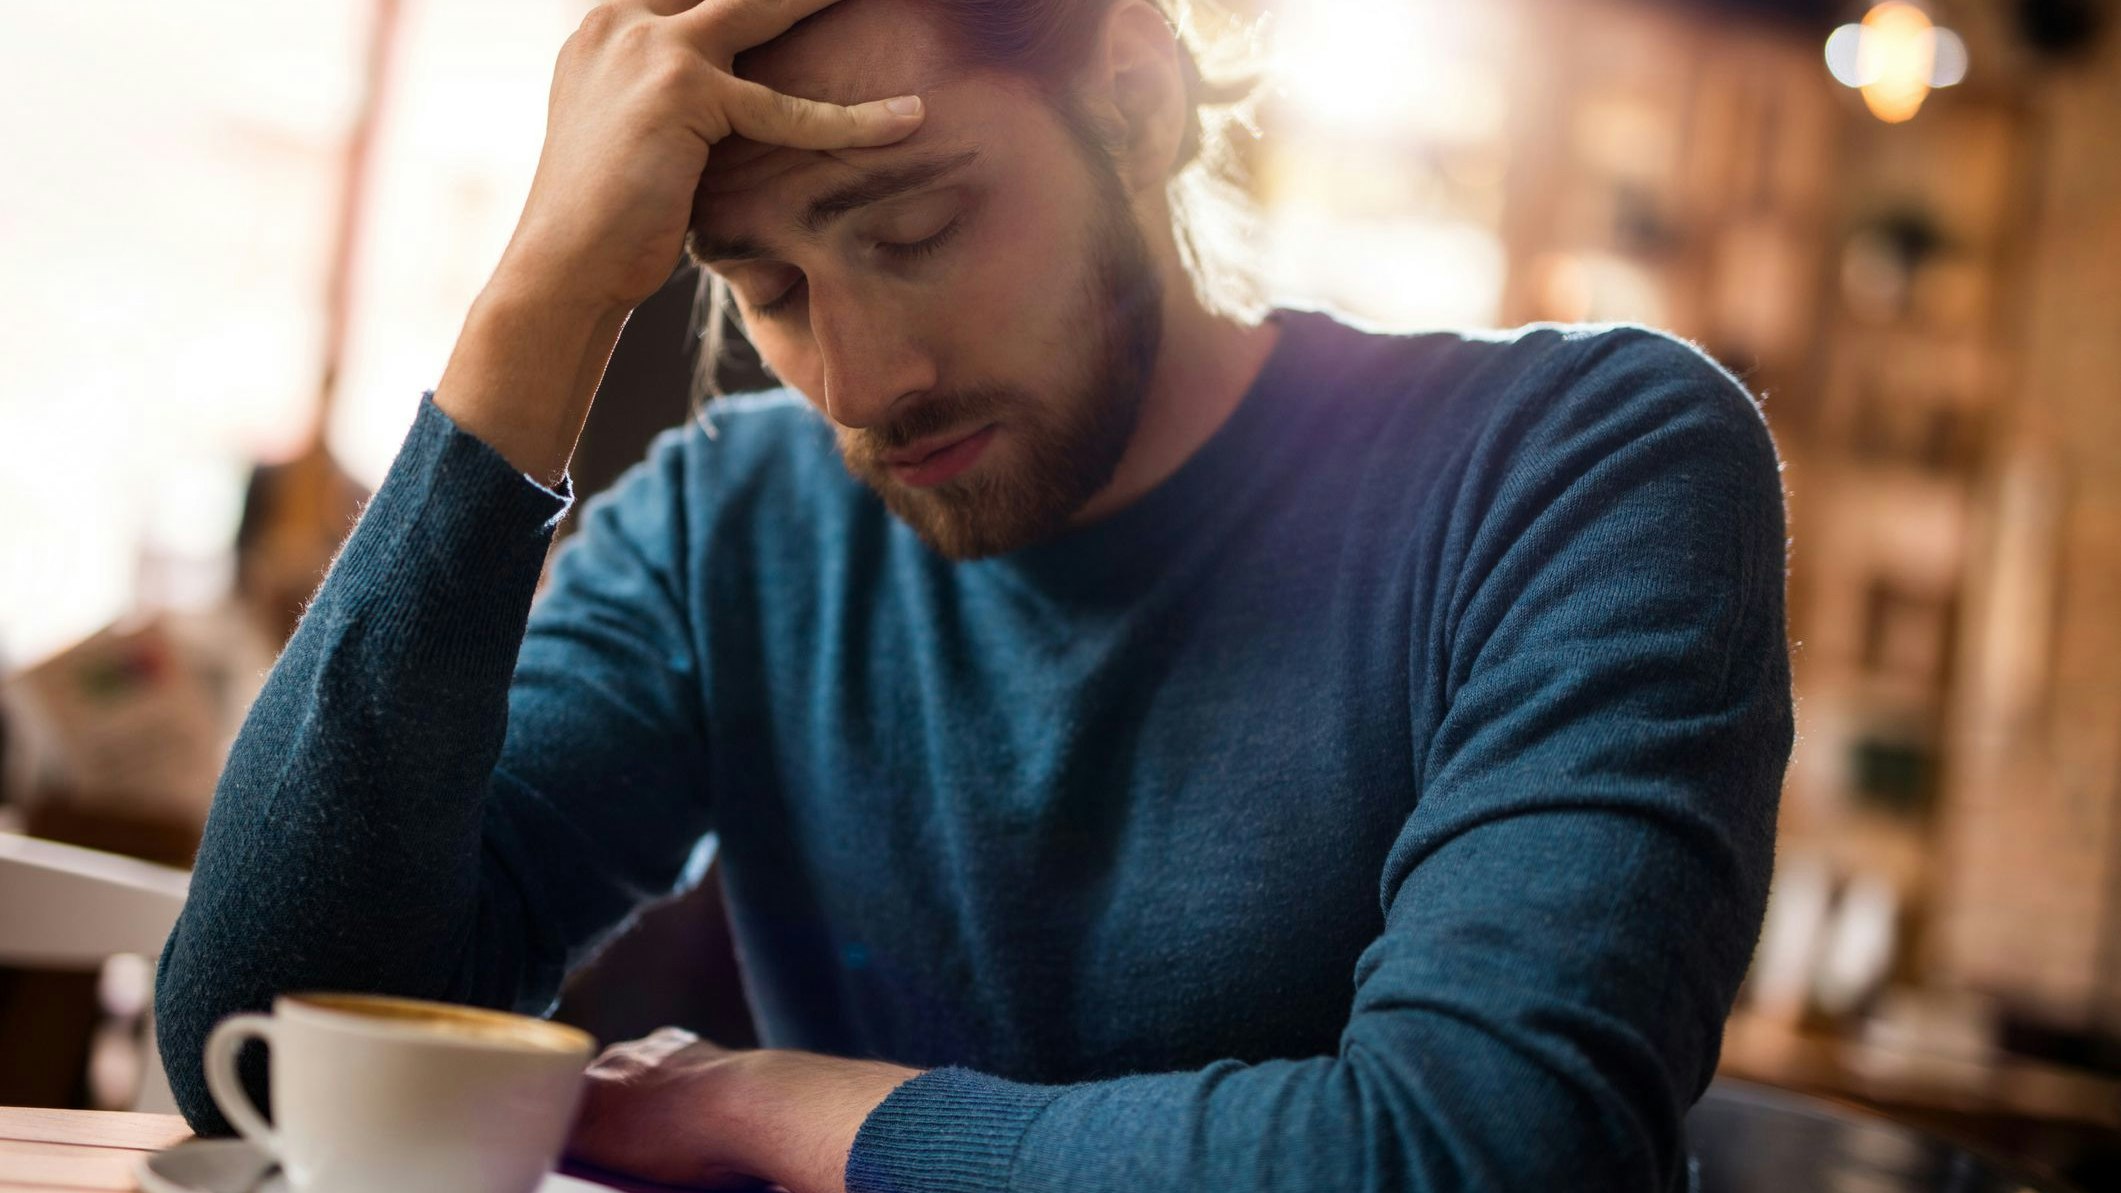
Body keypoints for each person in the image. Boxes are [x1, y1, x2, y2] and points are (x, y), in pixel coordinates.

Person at [155, 0, 1795, 1189]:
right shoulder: (729, 530)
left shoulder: (1582, 463)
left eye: (918, 227)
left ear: (1136, 102)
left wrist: (782, 1110)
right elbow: (270, 1044)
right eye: (767, 288)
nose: (858, 382)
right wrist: (540, 299)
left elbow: (1482, 1154)